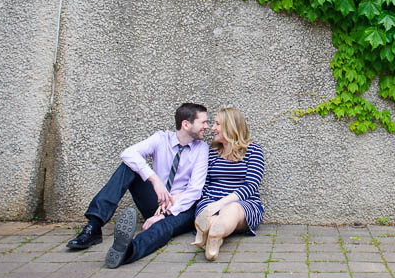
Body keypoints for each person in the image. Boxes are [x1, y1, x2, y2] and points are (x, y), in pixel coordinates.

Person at [65, 102, 210, 268]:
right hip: (156, 201)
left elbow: (195, 190)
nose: (207, 126)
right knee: (129, 167)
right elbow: (128, 153)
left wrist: (165, 213)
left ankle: (127, 251)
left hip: (182, 207)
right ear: (186, 124)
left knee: (164, 227)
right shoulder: (161, 139)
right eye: (203, 122)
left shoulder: (201, 149)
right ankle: (94, 226)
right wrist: (154, 179)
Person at [192, 106, 265, 260]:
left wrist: (219, 204)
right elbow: (204, 183)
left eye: (217, 124)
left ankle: (209, 234)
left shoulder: (253, 150)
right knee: (208, 213)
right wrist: (208, 203)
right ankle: (215, 239)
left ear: (230, 126)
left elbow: (251, 186)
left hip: (244, 204)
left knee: (232, 209)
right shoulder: (211, 152)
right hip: (211, 201)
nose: (212, 128)